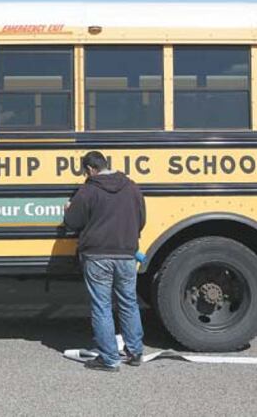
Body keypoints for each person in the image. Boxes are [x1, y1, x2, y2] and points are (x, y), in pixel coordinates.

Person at [64, 150, 146, 372]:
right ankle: (136, 351)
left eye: (85, 172)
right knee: (128, 302)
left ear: (91, 169)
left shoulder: (88, 190)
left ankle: (109, 359)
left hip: (97, 255)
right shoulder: (132, 187)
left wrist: (68, 210)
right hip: (127, 254)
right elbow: (141, 220)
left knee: (102, 307)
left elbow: (73, 222)